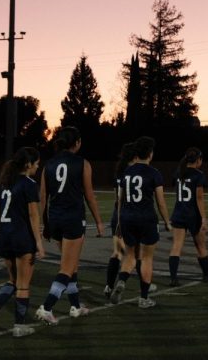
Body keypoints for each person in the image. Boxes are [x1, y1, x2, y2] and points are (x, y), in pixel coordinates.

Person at [34, 127, 105, 324]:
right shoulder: (83, 163)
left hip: (55, 218)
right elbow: (89, 195)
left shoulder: (48, 164)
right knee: (66, 268)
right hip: (73, 218)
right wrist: (99, 221)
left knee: (71, 265)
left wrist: (46, 224)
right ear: (76, 143)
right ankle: (46, 307)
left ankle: (75, 306)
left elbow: (42, 197)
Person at [0, 147, 44, 337]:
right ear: (28, 164)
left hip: (6, 236)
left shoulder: (6, 184)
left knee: (13, 280)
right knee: (23, 284)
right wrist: (38, 243)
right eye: (37, 164)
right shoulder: (29, 184)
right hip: (22, 237)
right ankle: (19, 326)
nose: (38, 167)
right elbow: (33, 215)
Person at [111, 136, 170, 308]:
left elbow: (120, 200)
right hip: (146, 218)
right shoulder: (154, 173)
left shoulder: (126, 172)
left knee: (130, 255)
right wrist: (167, 221)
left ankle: (122, 281)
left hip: (127, 218)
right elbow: (160, 202)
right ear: (150, 154)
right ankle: (144, 298)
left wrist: (120, 223)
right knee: (146, 258)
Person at [168, 147, 208, 287]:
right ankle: (206, 273)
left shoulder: (178, 173)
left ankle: (173, 278)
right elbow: (199, 198)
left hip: (178, 213)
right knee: (201, 245)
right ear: (198, 160)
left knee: (176, 246)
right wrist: (204, 218)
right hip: (193, 215)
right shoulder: (198, 174)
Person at [104, 142, 138, 297]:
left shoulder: (119, 172)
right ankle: (145, 284)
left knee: (117, 252)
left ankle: (108, 286)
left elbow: (116, 196)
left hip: (117, 213)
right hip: (131, 214)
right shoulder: (135, 172)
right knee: (136, 252)